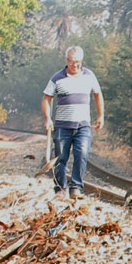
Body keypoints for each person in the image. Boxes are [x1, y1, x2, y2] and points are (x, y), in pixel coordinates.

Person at [42, 46, 104, 199]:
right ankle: (60, 188)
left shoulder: (89, 76)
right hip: (63, 126)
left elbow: (98, 94)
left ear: (81, 61)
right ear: (66, 61)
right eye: (72, 62)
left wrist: (100, 116)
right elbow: (46, 99)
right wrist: (48, 118)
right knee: (60, 158)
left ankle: (75, 187)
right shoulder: (57, 78)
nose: (75, 65)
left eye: (78, 62)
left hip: (83, 125)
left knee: (81, 154)